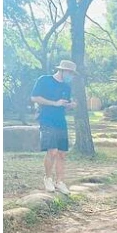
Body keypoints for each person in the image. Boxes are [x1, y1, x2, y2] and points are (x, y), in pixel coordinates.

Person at [31, 59, 78, 194]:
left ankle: (60, 182)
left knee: (62, 153)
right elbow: (34, 98)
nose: (71, 76)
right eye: (69, 72)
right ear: (62, 70)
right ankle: (47, 178)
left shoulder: (66, 87)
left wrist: (69, 106)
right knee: (52, 151)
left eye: (72, 74)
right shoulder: (44, 80)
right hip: (46, 119)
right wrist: (54, 103)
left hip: (60, 121)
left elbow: (63, 106)